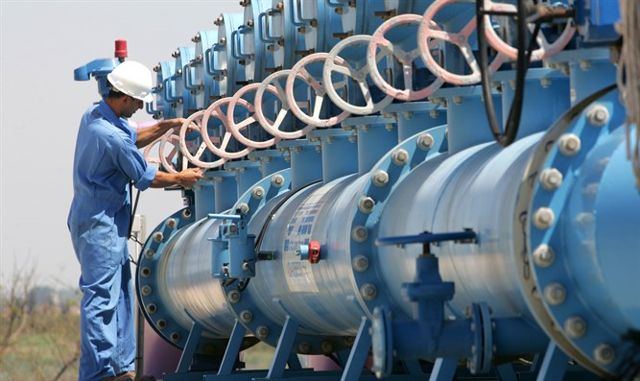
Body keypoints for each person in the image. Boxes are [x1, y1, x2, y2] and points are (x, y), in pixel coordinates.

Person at [67, 60, 203, 381]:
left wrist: (169, 125)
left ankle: (121, 370)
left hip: (105, 222)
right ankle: (100, 374)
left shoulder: (95, 114)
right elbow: (144, 177)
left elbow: (135, 132)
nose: (141, 107)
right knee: (101, 299)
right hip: (98, 227)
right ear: (125, 98)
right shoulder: (110, 137)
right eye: (138, 101)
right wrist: (184, 177)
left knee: (122, 296)